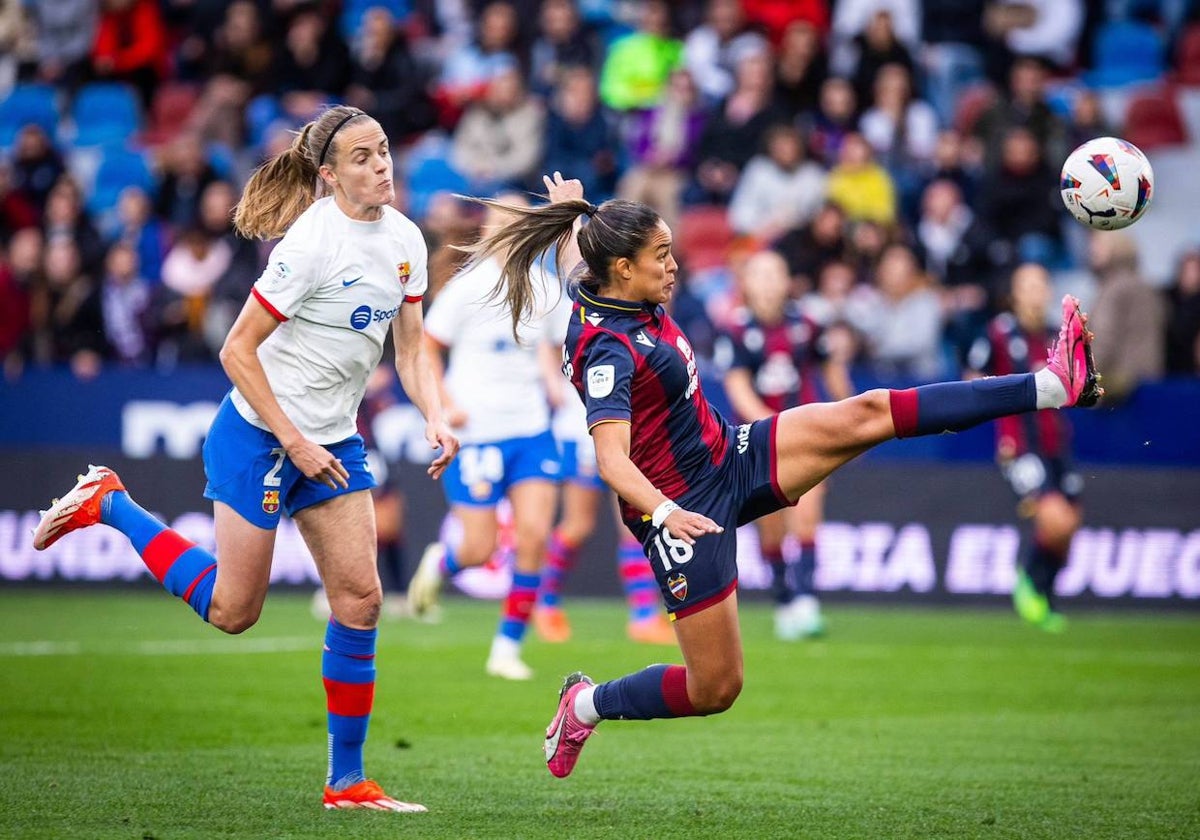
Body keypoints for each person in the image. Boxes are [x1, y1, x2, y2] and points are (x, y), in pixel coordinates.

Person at [466, 171, 1102, 779]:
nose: (675, 266)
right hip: (686, 511)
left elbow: (588, 246)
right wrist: (664, 515)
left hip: (729, 452)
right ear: (625, 270)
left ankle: (1050, 383)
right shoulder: (607, 348)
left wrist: (576, 212)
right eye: (661, 256)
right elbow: (612, 461)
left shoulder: (608, 272)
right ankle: (585, 706)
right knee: (716, 687)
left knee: (867, 411)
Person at [31, 105, 458, 812]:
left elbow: (409, 349)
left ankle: (346, 783)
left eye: (383, 151)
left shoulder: (406, 240)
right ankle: (111, 503)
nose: (381, 165)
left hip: (332, 439)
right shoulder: (310, 245)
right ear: (328, 175)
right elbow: (236, 349)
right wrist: (294, 440)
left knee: (361, 600)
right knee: (235, 610)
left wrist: (435, 413)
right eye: (362, 157)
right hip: (262, 434)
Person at [404, 198, 562, 681]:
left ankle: (506, 649)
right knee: (479, 549)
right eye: (503, 221)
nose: (512, 230)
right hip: (478, 435)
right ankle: (443, 561)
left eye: (521, 223)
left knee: (535, 536)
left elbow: (550, 353)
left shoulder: (547, 289)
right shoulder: (467, 290)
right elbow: (425, 348)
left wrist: (555, 385)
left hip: (532, 430)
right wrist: (444, 404)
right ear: (489, 230)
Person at [717, 250, 852, 640]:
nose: (770, 282)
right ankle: (784, 600)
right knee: (772, 530)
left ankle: (807, 601)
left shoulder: (808, 323)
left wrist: (851, 416)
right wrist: (771, 425)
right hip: (758, 441)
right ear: (747, 283)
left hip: (807, 436)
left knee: (807, 515)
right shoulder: (736, 329)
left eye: (776, 273)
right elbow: (737, 387)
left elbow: (833, 373)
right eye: (761, 275)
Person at [968, 265, 1082, 632]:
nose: (1035, 292)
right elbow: (970, 379)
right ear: (1014, 294)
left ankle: (1044, 594)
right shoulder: (999, 333)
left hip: (1056, 443)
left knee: (1068, 526)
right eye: (1027, 286)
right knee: (1055, 518)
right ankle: (1029, 581)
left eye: (1040, 285)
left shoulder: (1057, 336)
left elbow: (1078, 387)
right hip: (1019, 445)